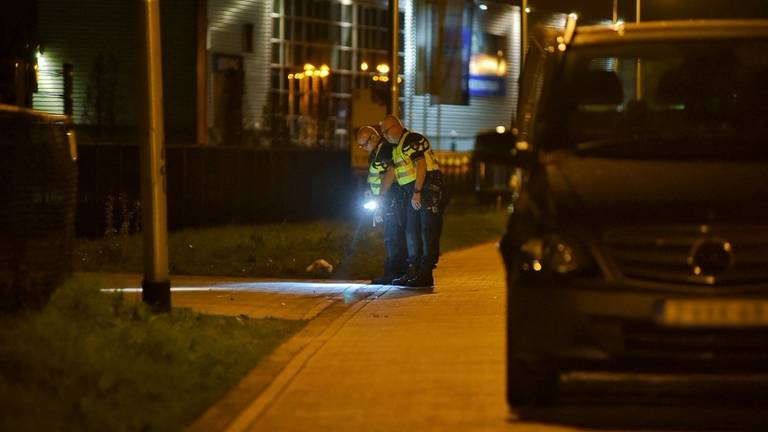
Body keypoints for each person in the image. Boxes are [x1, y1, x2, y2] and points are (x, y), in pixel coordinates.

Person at [379, 115, 445, 288]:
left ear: (396, 126)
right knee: (411, 231)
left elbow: (421, 165)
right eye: (382, 133)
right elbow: (391, 173)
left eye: (386, 131)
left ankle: (425, 273)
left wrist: (417, 191)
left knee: (427, 230)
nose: (385, 135)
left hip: (427, 187)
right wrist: (380, 196)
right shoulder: (396, 147)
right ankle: (413, 270)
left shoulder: (411, 140)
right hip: (413, 190)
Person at [356, 125, 407, 284]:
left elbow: (390, 172)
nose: (363, 148)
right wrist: (368, 190)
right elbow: (375, 175)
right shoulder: (375, 152)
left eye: (364, 144)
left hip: (391, 199)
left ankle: (394, 272)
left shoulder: (385, 149)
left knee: (392, 236)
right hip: (385, 199)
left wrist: (382, 196)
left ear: (373, 137)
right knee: (391, 236)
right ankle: (396, 271)